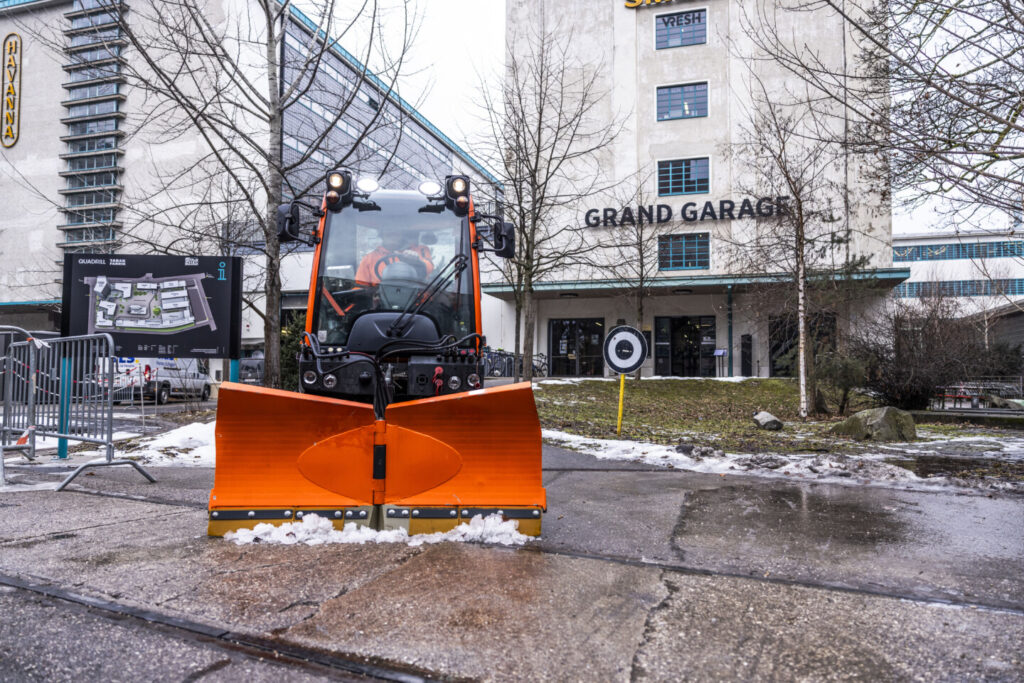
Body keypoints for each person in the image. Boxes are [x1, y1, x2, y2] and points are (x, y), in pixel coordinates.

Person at [355, 230, 434, 286]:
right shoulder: (369, 258)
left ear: (403, 233)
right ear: (381, 234)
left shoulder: (421, 250)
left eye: (396, 229)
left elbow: (429, 268)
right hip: (380, 304)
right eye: (388, 228)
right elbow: (360, 286)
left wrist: (416, 262)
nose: (392, 233)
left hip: (418, 304)